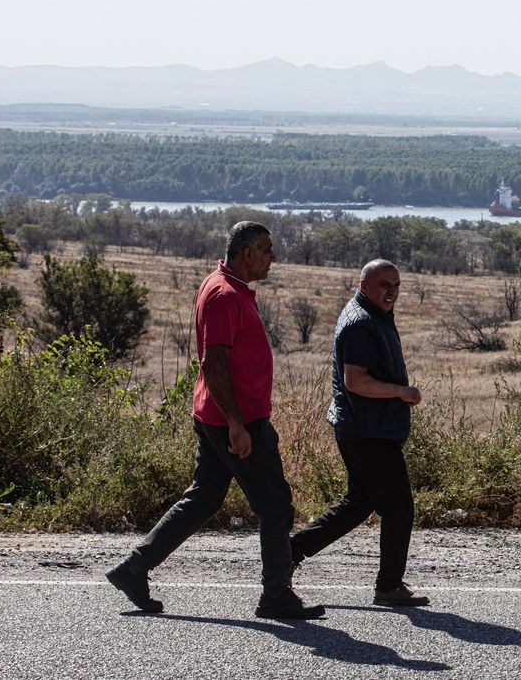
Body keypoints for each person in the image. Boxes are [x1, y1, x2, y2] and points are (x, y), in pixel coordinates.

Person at [106, 221, 323, 620]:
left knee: (202, 498)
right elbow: (213, 361)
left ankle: (133, 569)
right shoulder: (224, 294)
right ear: (248, 254)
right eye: (268, 249)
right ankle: (276, 595)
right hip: (234, 420)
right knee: (275, 506)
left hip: (215, 415)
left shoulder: (226, 285)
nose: (273, 257)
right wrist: (237, 425)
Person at [289, 258, 428, 607]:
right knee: (399, 508)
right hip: (368, 431)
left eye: (395, 284)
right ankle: (388, 587)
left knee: (359, 503)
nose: (391, 291)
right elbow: (356, 381)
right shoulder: (362, 324)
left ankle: (290, 552)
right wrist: (400, 391)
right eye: (384, 284)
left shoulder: (371, 315)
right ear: (364, 284)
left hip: (363, 427)